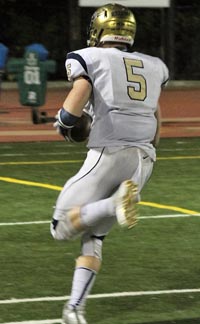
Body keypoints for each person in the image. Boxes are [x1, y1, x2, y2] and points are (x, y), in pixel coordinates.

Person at [51, 3, 169, 324]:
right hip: (143, 158)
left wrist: (63, 121)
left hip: (109, 151)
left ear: (98, 30)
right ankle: (74, 309)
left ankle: (114, 202)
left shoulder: (88, 57)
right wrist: (146, 154)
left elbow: (81, 90)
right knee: (93, 239)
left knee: (60, 228)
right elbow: (157, 116)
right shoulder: (153, 65)